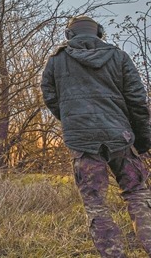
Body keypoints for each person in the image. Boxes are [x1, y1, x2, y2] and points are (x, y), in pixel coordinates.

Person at [41, 15, 151, 257]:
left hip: (83, 143)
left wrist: (75, 122)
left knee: (95, 203)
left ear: (69, 35)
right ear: (98, 33)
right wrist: (142, 140)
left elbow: (50, 98)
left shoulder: (56, 61)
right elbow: (137, 101)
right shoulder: (119, 56)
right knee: (137, 194)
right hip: (120, 137)